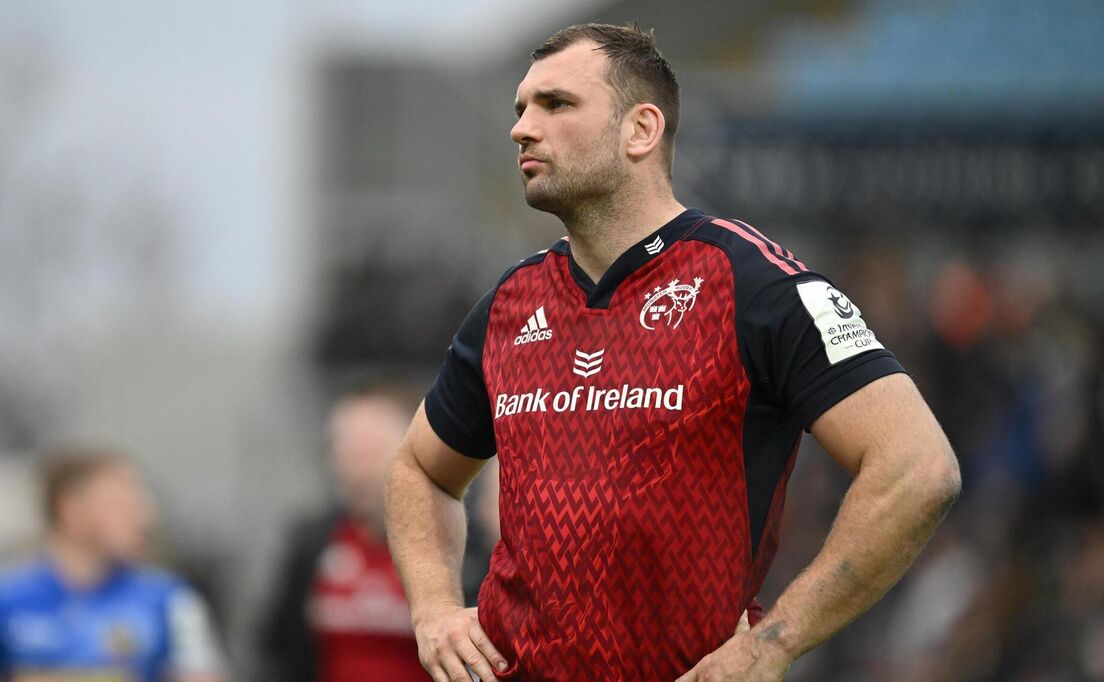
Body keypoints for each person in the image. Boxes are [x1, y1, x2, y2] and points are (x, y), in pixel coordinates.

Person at [383, 23, 962, 682]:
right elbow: (420, 472)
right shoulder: (509, 306)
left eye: (556, 104)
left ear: (641, 130)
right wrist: (433, 610)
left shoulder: (752, 285)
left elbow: (918, 467)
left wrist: (772, 643)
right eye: (520, 108)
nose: (521, 127)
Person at [0, 448, 227, 682]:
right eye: (122, 502)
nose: (144, 517)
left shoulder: (169, 599)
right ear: (71, 509)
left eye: (143, 503)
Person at [258, 380, 441, 682]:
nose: (355, 469)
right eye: (345, 451)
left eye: (370, 452)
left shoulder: (457, 550)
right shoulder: (310, 545)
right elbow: (276, 650)